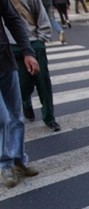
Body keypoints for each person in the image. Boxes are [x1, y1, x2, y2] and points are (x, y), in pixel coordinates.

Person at [0, 0, 40, 188]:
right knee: (2, 118)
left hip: (5, 62)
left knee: (16, 115)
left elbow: (13, 20)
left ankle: (18, 160)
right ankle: (5, 164)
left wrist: (28, 52)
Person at [6, 0, 61, 131]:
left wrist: (40, 40)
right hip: (12, 46)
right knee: (22, 84)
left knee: (43, 82)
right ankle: (26, 104)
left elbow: (42, 17)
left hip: (33, 42)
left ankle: (49, 118)